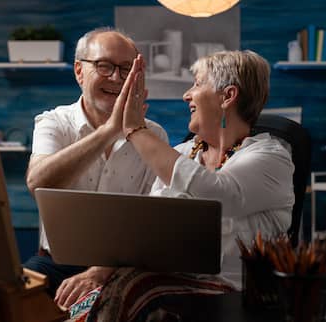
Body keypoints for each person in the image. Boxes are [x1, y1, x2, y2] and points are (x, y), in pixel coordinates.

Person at [67, 50, 295, 321]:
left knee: (135, 287)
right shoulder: (183, 152)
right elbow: (149, 225)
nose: (187, 95)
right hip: (172, 279)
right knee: (90, 294)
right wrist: (101, 270)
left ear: (228, 96)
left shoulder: (271, 157)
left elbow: (218, 194)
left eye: (197, 84)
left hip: (236, 290)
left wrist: (135, 130)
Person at [23, 27, 168, 302]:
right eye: (104, 66)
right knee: (6, 304)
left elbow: (154, 221)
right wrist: (110, 131)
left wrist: (101, 272)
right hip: (55, 264)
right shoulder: (53, 122)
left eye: (126, 69)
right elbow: (37, 184)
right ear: (79, 71)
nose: (116, 78)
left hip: (124, 267)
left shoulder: (155, 135)